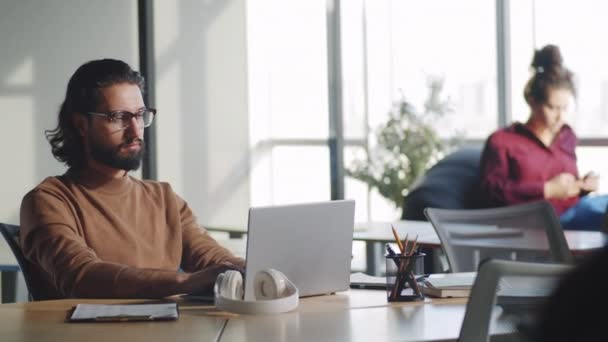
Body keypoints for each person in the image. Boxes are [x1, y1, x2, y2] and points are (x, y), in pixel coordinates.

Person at [19, 59, 245, 299]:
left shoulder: (164, 198)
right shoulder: (48, 201)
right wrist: (184, 282)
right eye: (118, 117)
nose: (135, 131)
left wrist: (250, 270)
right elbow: (81, 276)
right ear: (81, 125)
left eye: (140, 115)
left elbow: (213, 259)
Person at [479, 44, 608, 231]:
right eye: (553, 108)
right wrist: (548, 189)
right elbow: (492, 192)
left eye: (564, 108)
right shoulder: (502, 141)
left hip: (576, 210)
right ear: (533, 102)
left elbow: (568, 186)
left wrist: (581, 187)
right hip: (541, 222)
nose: (560, 116)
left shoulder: (567, 136)